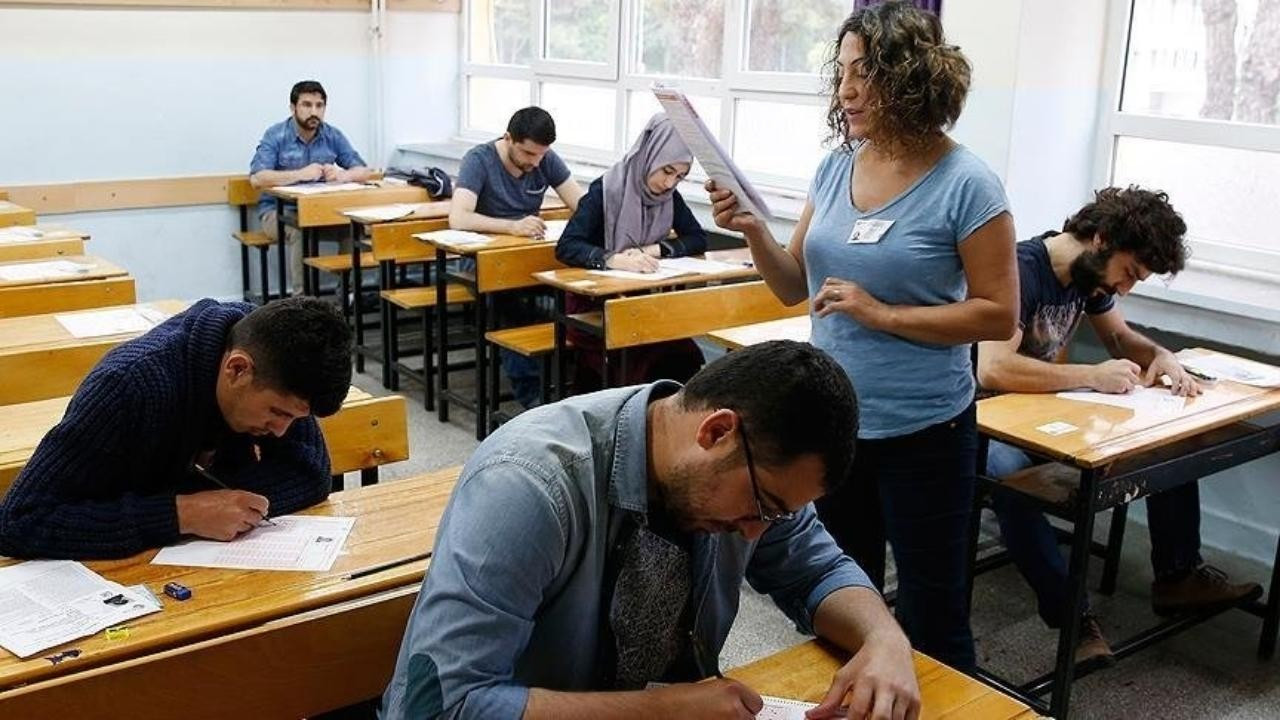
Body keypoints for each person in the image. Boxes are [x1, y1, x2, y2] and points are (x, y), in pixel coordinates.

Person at [706, 0, 1018, 669]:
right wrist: (755, 230)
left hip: (927, 431)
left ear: (911, 78)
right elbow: (793, 284)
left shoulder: (967, 183)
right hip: (837, 426)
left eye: (864, 73)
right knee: (841, 602)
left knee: (934, 614)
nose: (845, 90)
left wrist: (883, 314)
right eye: (842, 72)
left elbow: (998, 314)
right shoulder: (836, 166)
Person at [381, 341, 921, 720]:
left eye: (777, 517)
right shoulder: (529, 485)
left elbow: (819, 570)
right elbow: (441, 707)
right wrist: (661, 709)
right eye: (764, 508)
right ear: (716, 432)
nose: (756, 534)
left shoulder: (756, 474)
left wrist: (885, 640)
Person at [977, 186, 1263, 665]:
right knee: (1010, 476)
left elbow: (1120, 338)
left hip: (1045, 412)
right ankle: (1073, 619)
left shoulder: (1090, 277)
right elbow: (992, 368)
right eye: (1129, 273)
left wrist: (1161, 355)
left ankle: (1177, 576)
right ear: (1102, 239)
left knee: (1164, 438)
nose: (1125, 288)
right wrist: (1091, 376)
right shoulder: (1021, 270)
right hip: (981, 418)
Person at [0, 297, 353, 559]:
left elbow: (310, 474)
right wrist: (182, 513)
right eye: (276, 413)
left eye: (295, 419)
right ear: (237, 370)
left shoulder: (276, 350)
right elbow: (19, 521)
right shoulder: (127, 385)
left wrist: (220, 505)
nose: (281, 431)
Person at [555, 113, 706, 388]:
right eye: (667, 171)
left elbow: (697, 238)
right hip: (593, 306)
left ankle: (660, 409)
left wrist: (653, 250)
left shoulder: (668, 197)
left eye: (680, 176)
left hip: (644, 303)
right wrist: (614, 259)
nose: (670, 183)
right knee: (642, 351)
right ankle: (630, 409)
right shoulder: (606, 189)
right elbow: (567, 246)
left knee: (683, 353)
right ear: (650, 155)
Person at [450, 106, 584, 408]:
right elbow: (458, 217)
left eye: (541, 155)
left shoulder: (544, 158)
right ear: (508, 138)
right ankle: (532, 395)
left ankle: (578, 384)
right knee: (510, 304)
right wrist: (511, 226)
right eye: (528, 153)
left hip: (531, 259)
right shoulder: (478, 160)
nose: (535, 162)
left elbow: (581, 204)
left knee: (578, 296)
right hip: (484, 262)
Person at [250, 80, 374, 295]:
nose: (314, 112)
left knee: (352, 228)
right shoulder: (276, 135)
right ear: (293, 108)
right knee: (301, 230)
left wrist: (343, 175)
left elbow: (364, 171)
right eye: (307, 105)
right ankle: (303, 301)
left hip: (319, 212)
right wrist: (299, 174)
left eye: (319, 105)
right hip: (277, 214)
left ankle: (347, 297)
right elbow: (257, 178)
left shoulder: (332, 135)